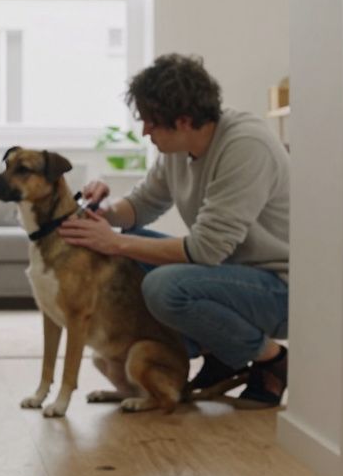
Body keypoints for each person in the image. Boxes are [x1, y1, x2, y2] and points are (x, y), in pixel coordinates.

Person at [59, 54, 290, 408]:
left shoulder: (246, 147)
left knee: (164, 286)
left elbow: (206, 250)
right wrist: (105, 211)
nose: (144, 131)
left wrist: (117, 242)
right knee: (122, 256)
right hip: (230, 273)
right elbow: (142, 206)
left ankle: (271, 361)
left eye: (151, 122)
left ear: (183, 121)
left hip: (280, 287)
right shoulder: (178, 149)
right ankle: (223, 353)